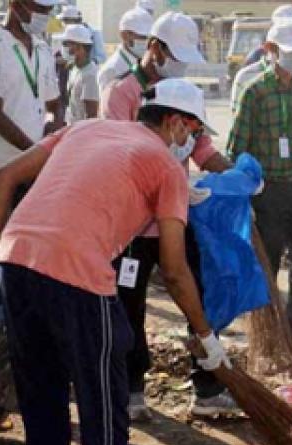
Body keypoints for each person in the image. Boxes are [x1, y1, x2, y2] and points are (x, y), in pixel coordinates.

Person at [0, 78, 226, 445]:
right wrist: (204, 336)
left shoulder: (86, 129)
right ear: (176, 122)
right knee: (103, 396)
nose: (192, 144)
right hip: (77, 273)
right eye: (193, 133)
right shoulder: (165, 166)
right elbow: (176, 271)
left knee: (41, 392)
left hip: (16, 261)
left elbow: (5, 177)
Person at [101, 11, 236, 420]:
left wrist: (237, 177)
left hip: (176, 218)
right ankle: (131, 389)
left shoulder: (183, 94)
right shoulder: (122, 93)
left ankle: (208, 387)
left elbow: (204, 150)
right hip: (134, 226)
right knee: (129, 306)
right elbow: (118, 156)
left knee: (197, 296)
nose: (179, 65)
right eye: (174, 56)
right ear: (154, 49)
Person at [228, 19, 292, 350]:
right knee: (267, 264)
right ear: (271, 51)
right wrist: (247, 193)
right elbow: (237, 147)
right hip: (268, 190)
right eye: (289, 53)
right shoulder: (255, 91)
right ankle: (268, 334)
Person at [0, 0, 62, 229]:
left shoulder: (42, 49)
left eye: (48, 11)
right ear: (15, 4)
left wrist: (51, 125)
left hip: (32, 167)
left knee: (25, 247)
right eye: (39, 9)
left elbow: (53, 104)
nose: (44, 16)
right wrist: (36, 153)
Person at [97, 8, 153, 90]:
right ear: (124, 35)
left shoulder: (150, 63)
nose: (147, 41)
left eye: (149, 37)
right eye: (142, 37)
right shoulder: (111, 71)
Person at [56, 24, 100, 124]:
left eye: (67, 44)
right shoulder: (75, 68)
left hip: (81, 133)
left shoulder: (90, 75)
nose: (65, 48)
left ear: (80, 47)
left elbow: (91, 115)